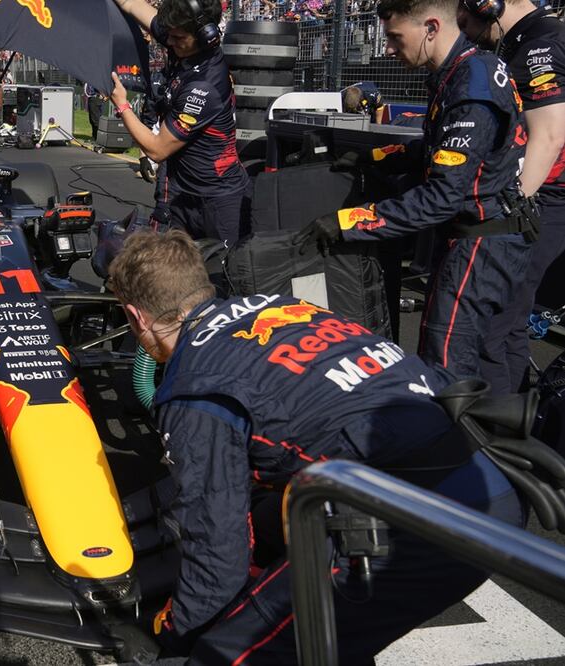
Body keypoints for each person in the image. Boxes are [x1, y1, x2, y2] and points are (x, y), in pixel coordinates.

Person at [106, 230, 522, 663]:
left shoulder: (195, 386)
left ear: (136, 316)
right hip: (492, 476)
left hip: (418, 523)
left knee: (224, 654)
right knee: (269, 519)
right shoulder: (281, 306)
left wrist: (175, 636)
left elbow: (218, 555)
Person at [294, 0, 534, 390]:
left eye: (394, 37)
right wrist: (373, 157)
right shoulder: (465, 69)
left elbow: (441, 197)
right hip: (493, 235)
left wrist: (347, 222)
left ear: (431, 28)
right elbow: (435, 149)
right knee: (490, 363)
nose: (389, 49)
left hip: (481, 244)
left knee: (445, 369)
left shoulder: (471, 86)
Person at [458, 0, 565, 393]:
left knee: (494, 322)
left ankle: (498, 423)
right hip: (541, 199)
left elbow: (550, 135)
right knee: (509, 322)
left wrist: (510, 209)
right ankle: (516, 417)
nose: (464, 29)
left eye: (465, 18)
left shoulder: (542, 44)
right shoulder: (528, 40)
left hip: (544, 200)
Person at [110, 0, 251, 246]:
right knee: (177, 266)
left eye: (177, 38)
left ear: (205, 36)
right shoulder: (182, 36)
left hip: (219, 200)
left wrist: (122, 105)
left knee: (222, 268)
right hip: (183, 194)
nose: (169, 42)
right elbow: (131, 4)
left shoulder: (204, 85)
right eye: (169, 35)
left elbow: (157, 149)